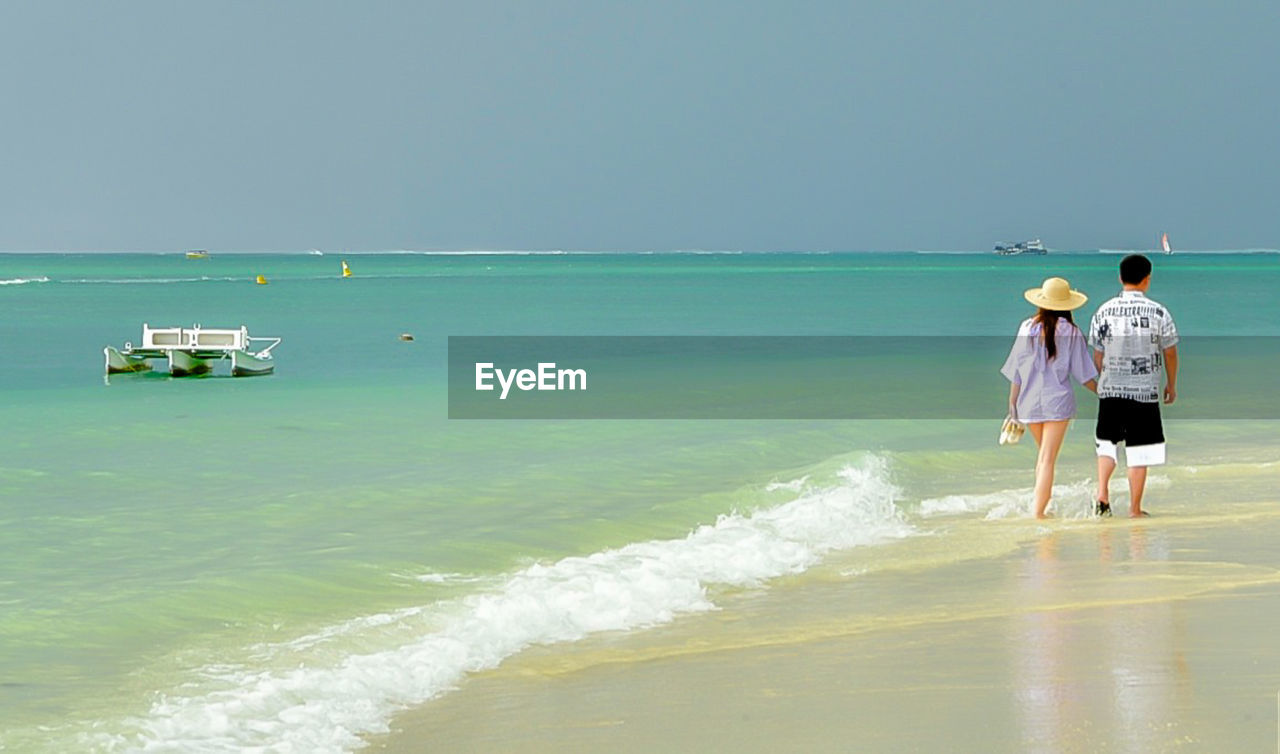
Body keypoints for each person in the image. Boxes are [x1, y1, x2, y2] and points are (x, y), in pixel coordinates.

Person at [1088, 254, 1179, 517]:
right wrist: (1171, 384)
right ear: (1147, 279)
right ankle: (1135, 509)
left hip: (1111, 390)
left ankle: (1102, 493)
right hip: (1144, 393)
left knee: (1107, 443)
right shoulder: (1160, 312)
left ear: (1120, 277)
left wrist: (1102, 379)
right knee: (1139, 451)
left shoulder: (1102, 311)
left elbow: (1098, 353)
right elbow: (1170, 353)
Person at [1002, 277, 1099, 518]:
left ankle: (1043, 506)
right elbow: (1083, 375)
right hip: (1057, 403)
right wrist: (1104, 393)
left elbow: (1016, 370)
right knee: (1047, 459)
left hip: (1028, 402)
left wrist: (1012, 404)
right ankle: (1038, 513)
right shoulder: (1071, 332)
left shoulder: (1026, 327)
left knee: (1043, 457)